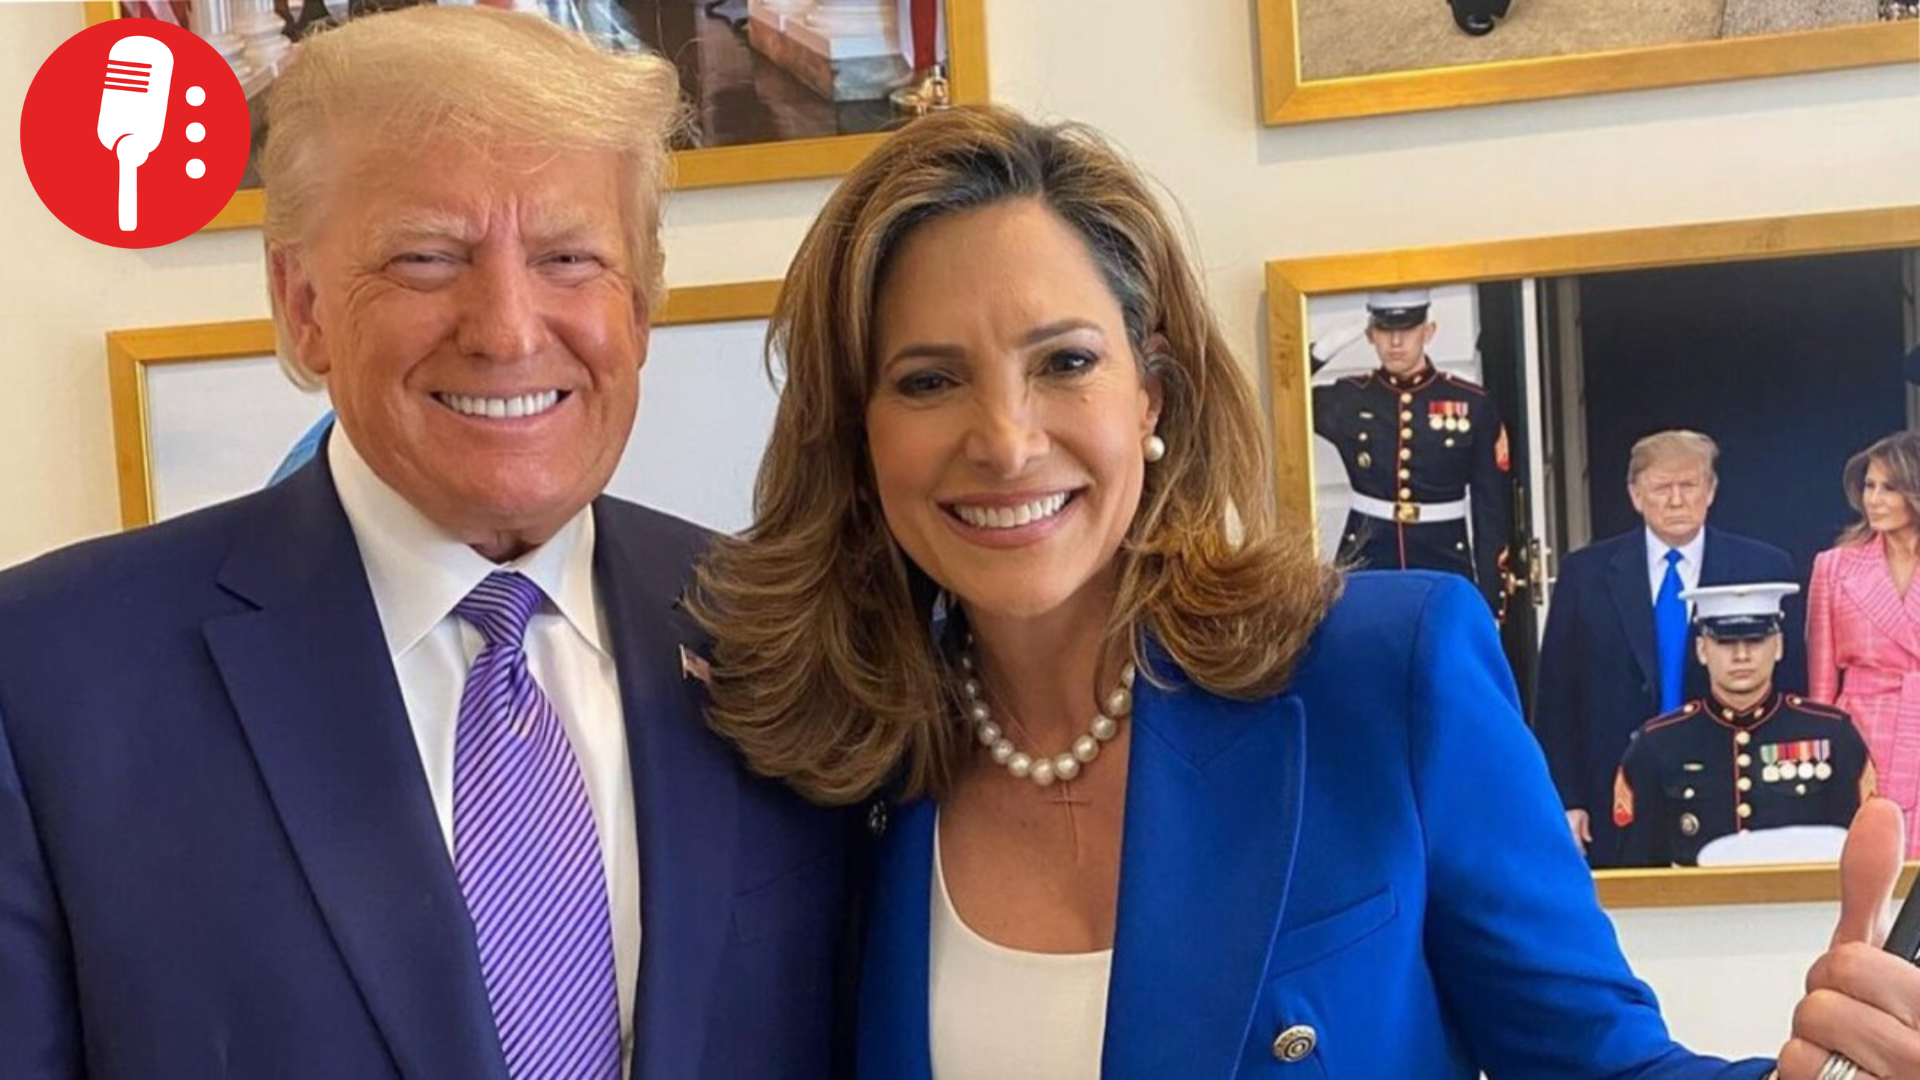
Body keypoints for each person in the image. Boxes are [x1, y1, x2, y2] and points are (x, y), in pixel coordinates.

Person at [690, 104, 1920, 1078]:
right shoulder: (829, 767)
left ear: (1152, 395)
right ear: (858, 434)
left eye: (1064, 361)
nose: (1006, 440)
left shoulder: (1382, 674)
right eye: (926, 380)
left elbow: (1600, 1065)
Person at [0, 9, 851, 1078]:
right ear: (303, 306)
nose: (506, 328)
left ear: (640, 306)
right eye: (427, 258)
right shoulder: (48, 680)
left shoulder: (783, 633)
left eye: (569, 257)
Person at [1534, 430, 1801, 868]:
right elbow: (1556, 698)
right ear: (1635, 495)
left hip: (1733, 783)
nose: (1677, 501)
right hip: (1615, 788)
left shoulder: (1763, 566)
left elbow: (1791, 687)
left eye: (1689, 485)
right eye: (1661, 488)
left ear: (1711, 491)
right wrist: (1565, 799)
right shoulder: (1585, 575)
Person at [1616, 583, 1872, 868]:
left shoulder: (1832, 734)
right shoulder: (1658, 744)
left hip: (1801, 895)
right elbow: (1637, 864)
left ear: (1779, 646)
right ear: (1702, 650)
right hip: (1697, 896)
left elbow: (1862, 847)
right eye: (1725, 643)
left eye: (1755, 640)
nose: (1741, 655)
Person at [1309, 288, 1513, 613]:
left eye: (1407, 329)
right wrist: (1322, 350)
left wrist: (1489, 604)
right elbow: (1284, 394)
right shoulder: (1349, 398)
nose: (1395, 342)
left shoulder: (1471, 403)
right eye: (1384, 330)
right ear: (1370, 335)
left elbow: (1490, 509)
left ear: (1428, 331)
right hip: (1367, 553)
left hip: (1443, 554)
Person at [1810, 430, 1920, 856]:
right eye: (1869, 486)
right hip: (1862, 736)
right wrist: (1822, 756)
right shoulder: (1834, 567)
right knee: (1870, 862)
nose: (1873, 499)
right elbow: (1821, 687)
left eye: (1889, 488)